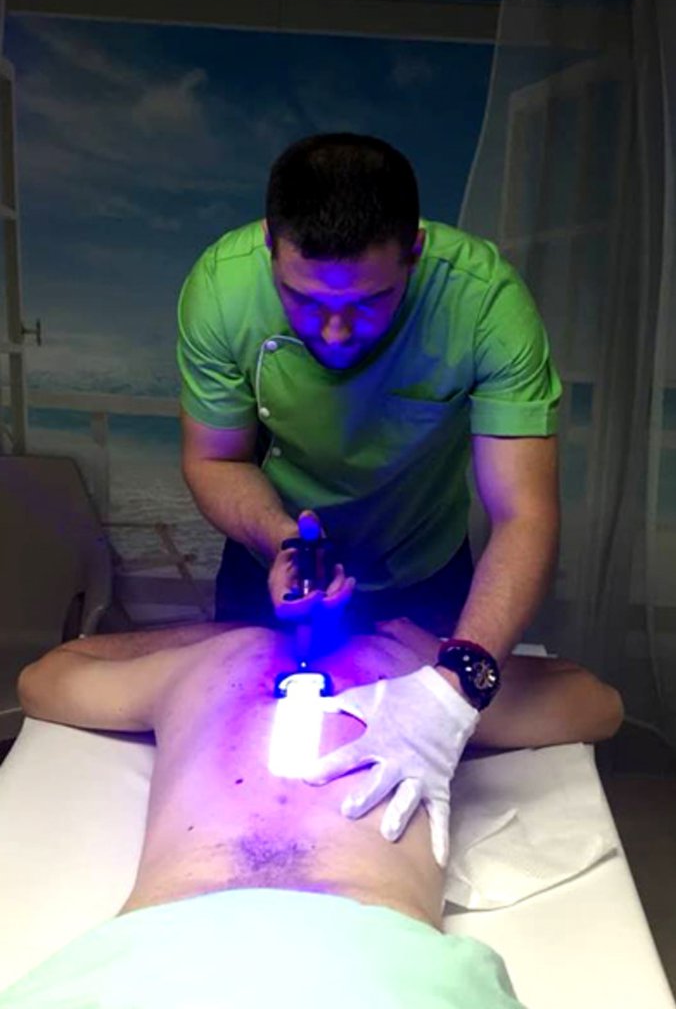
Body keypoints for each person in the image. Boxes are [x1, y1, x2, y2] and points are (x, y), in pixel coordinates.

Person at [177, 131, 562, 836]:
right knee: (245, 756)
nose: (333, 332)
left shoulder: (484, 304)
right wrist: (279, 540)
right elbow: (216, 460)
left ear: (414, 251)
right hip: (280, 557)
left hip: (427, 566)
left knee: (427, 774)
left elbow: (524, 514)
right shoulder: (222, 291)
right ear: (270, 246)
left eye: (366, 304)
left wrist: (460, 679)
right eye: (303, 301)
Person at [2, 615, 622, 1008]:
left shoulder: (429, 684)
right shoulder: (211, 659)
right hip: (157, 956)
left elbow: (596, 705)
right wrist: (216, 630)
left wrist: (445, 656)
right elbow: (46, 680)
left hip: (376, 963)